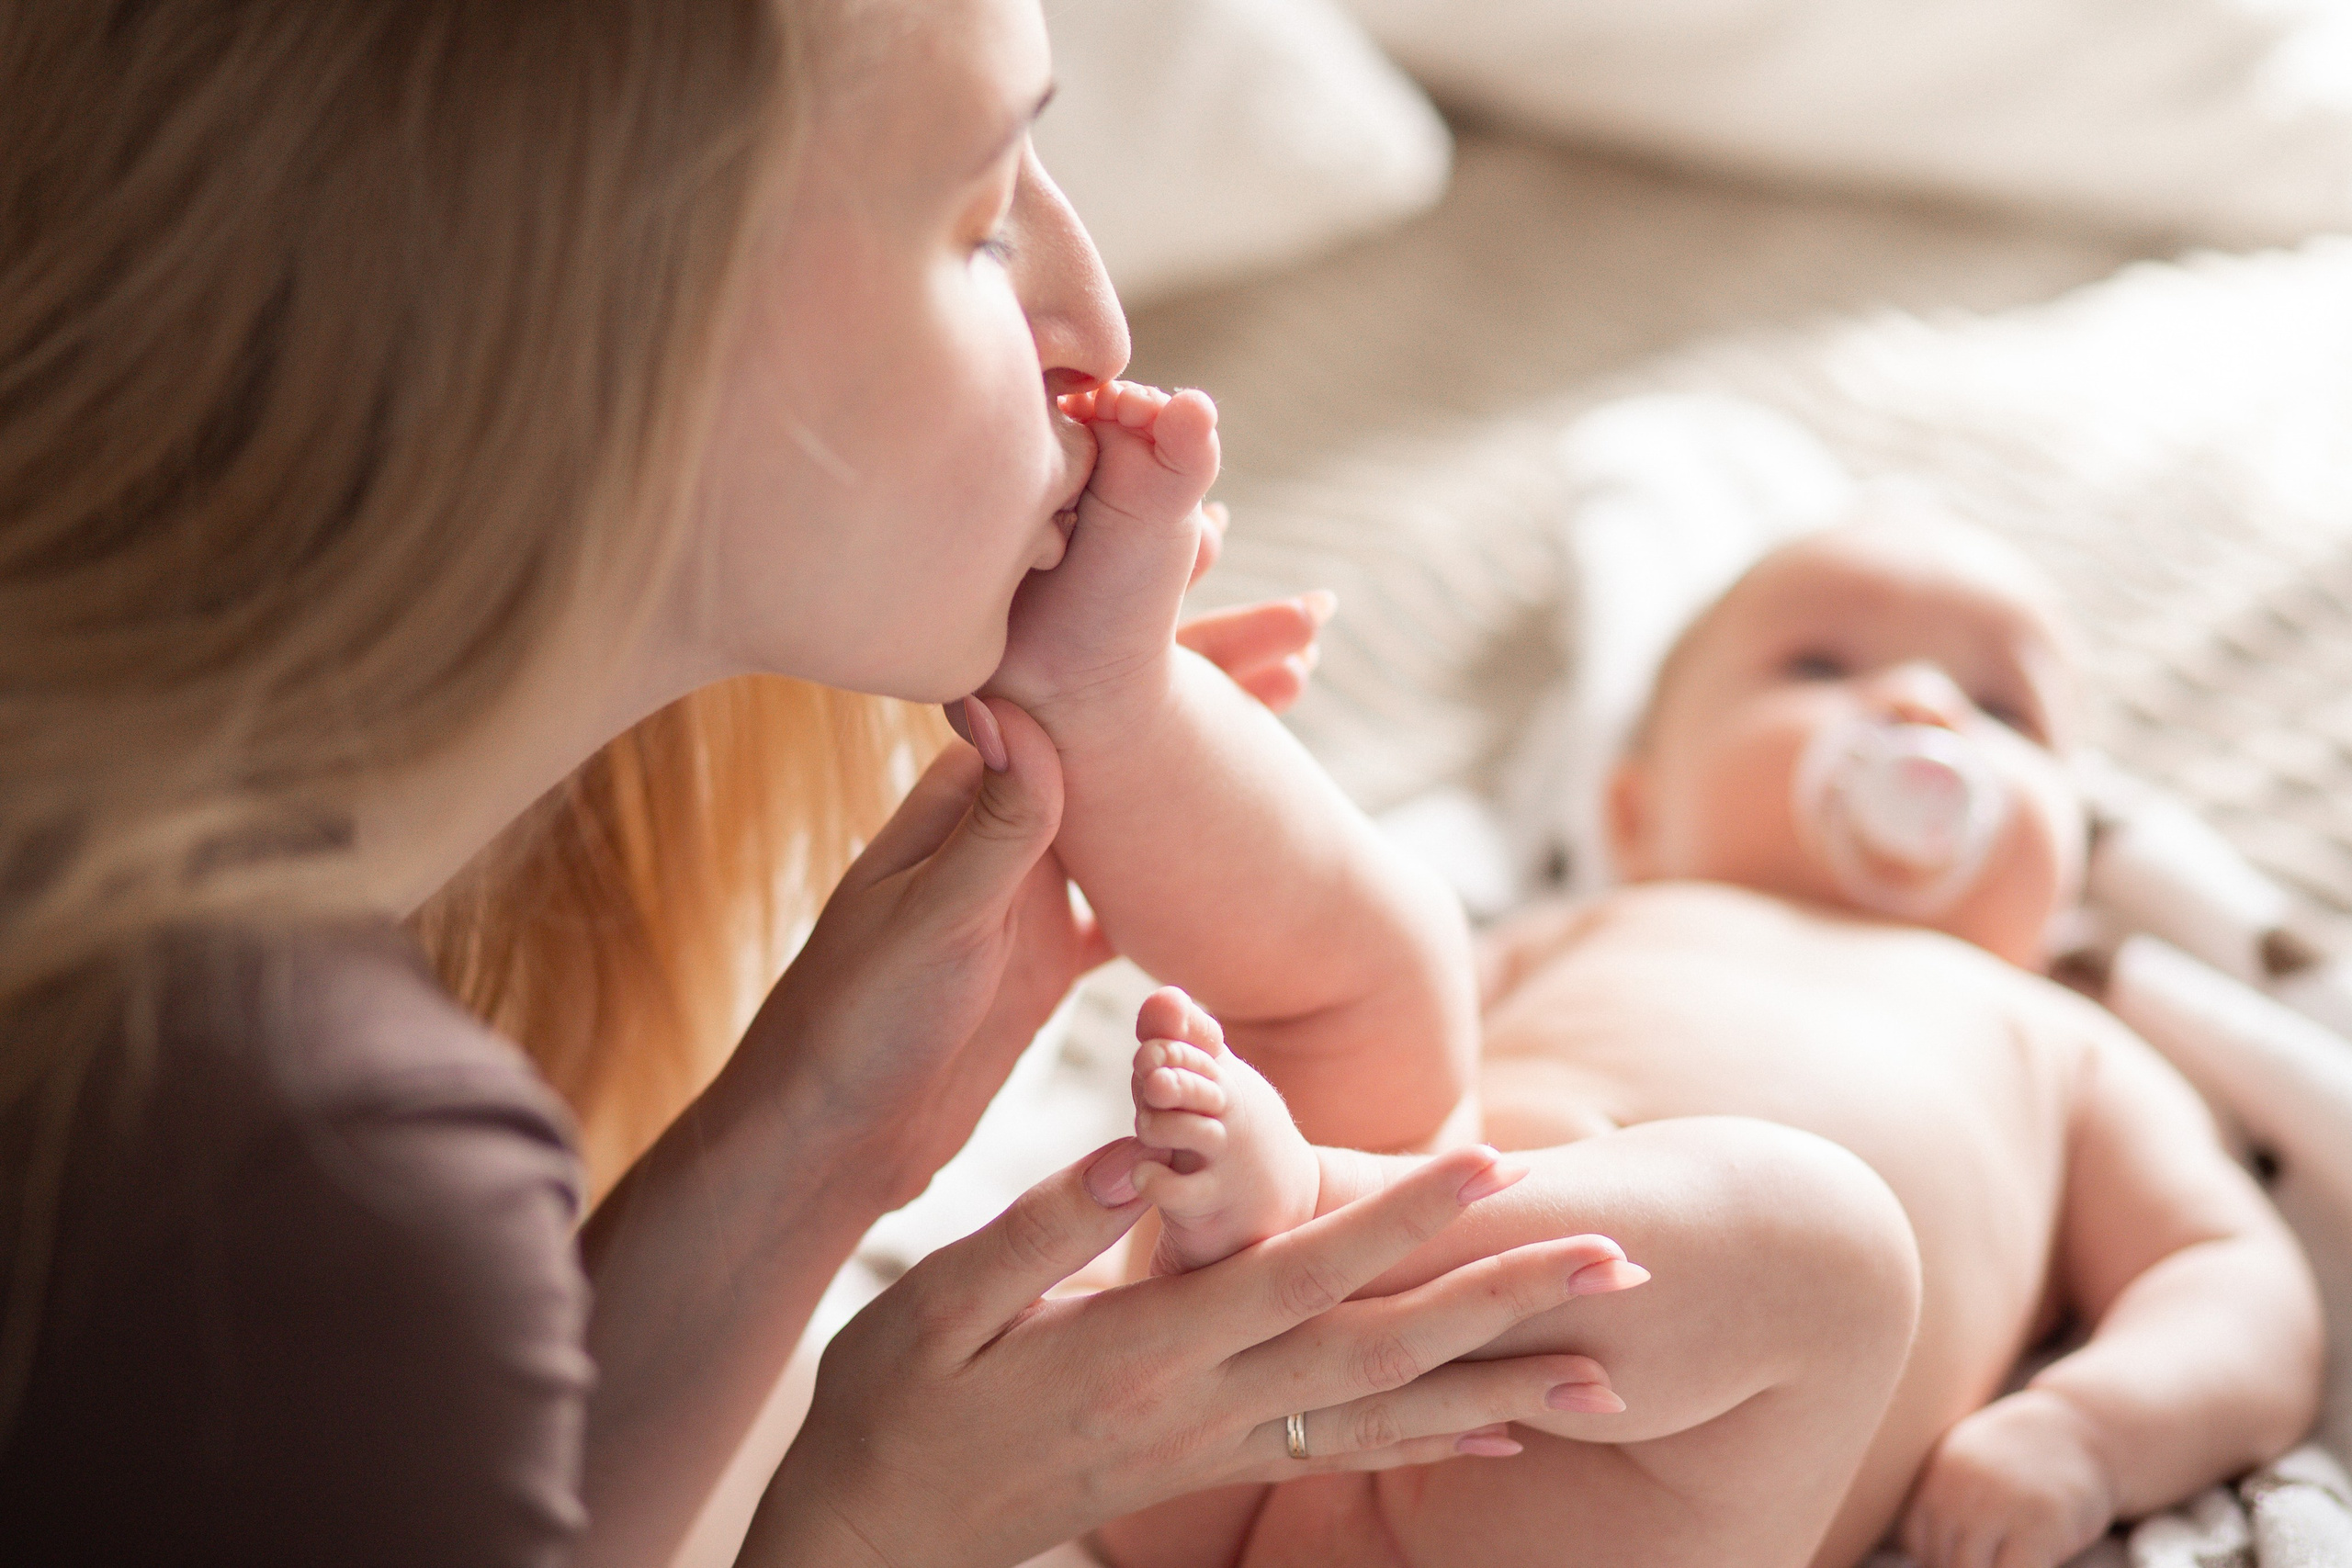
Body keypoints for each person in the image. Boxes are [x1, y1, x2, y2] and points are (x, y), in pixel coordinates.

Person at [0, 2, 1715, 1563]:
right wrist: (878, 1522)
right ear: (597, 312)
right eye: (981, 222)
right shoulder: (284, 1166)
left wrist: (822, 1130)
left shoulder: (254, 1054)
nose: (1097, 328)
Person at [1084, 513, 2323, 1568]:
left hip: (1585, 1495)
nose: (1920, 704)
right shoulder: (1597, 918)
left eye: (2003, 707)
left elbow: (2238, 1283)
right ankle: (1125, 714)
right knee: (1379, 958)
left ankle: (1303, 1217)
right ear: (1638, 806)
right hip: (1240, 1424)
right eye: (1818, 667)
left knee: (1811, 1242)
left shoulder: (2062, 1040)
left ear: (2065, 883)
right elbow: (1363, 1034)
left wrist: (2088, 1435)